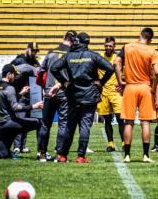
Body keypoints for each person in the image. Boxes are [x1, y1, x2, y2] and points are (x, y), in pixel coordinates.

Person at [50, 32, 115, 163]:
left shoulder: (68, 56)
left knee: (70, 125)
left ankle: (62, 155)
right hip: (90, 95)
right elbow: (110, 68)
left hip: (73, 95)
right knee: (85, 125)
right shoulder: (92, 56)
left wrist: (64, 82)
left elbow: (53, 68)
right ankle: (81, 156)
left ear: (78, 42)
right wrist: (101, 82)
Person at [0, 64, 43, 161]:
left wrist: (20, 94)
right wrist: (33, 106)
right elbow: (15, 107)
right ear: (9, 74)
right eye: (14, 74)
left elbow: (6, 103)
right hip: (10, 123)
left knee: (3, 154)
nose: (15, 77)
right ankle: (42, 153)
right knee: (39, 123)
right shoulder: (10, 88)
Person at [115, 28, 158, 163]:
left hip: (130, 87)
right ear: (150, 39)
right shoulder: (152, 51)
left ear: (140, 35)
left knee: (129, 122)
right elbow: (157, 72)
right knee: (145, 122)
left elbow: (116, 62)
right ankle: (146, 155)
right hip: (145, 87)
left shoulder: (127, 47)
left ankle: (127, 155)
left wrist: (120, 81)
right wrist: (153, 86)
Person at [36, 31, 75, 162]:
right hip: (64, 93)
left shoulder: (51, 53)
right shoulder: (72, 54)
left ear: (63, 38)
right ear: (73, 41)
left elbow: (40, 72)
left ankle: (41, 153)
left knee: (45, 123)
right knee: (63, 123)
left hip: (48, 92)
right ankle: (59, 154)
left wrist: (45, 87)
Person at [10, 42, 41, 154]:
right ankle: (17, 146)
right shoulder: (18, 60)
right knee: (20, 121)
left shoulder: (35, 62)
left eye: (36, 51)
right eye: (32, 50)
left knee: (28, 122)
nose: (34, 53)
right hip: (21, 95)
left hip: (33, 96)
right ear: (27, 49)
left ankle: (23, 146)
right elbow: (9, 73)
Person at [98, 37, 125, 152]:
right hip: (103, 93)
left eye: (110, 46)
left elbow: (126, 72)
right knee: (107, 120)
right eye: (106, 45)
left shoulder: (118, 59)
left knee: (120, 119)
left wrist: (123, 84)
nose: (108, 47)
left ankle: (124, 143)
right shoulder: (99, 58)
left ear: (114, 47)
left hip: (116, 93)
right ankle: (111, 144)